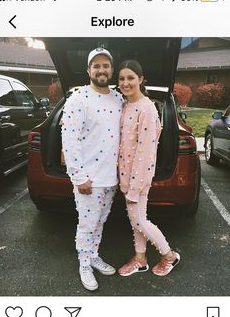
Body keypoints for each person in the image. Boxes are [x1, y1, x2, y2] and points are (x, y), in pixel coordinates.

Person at [61, 48, 123, 291]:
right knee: (86, 224)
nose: (101, 70)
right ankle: (84, 264)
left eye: (105, 65)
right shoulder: (78, 99)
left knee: (100, 222)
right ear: (88, 71)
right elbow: (70, 139)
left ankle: (93, 256)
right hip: (89, 179)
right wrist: (78, 177)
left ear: (111, 70)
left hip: (111, 178)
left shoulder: (118, 99)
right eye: (96, 66)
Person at [117, 59, 180, 277]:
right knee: (136, 219)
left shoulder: (147, 109)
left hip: (139, 178)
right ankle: (140, 259)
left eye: (131, 78)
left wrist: (135, 186)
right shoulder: (126, 105)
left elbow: (145, 153)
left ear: (141, 80)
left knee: (139, 220)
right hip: (126, 177)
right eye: (122, 78)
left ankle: (169, 255)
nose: (126, 83)